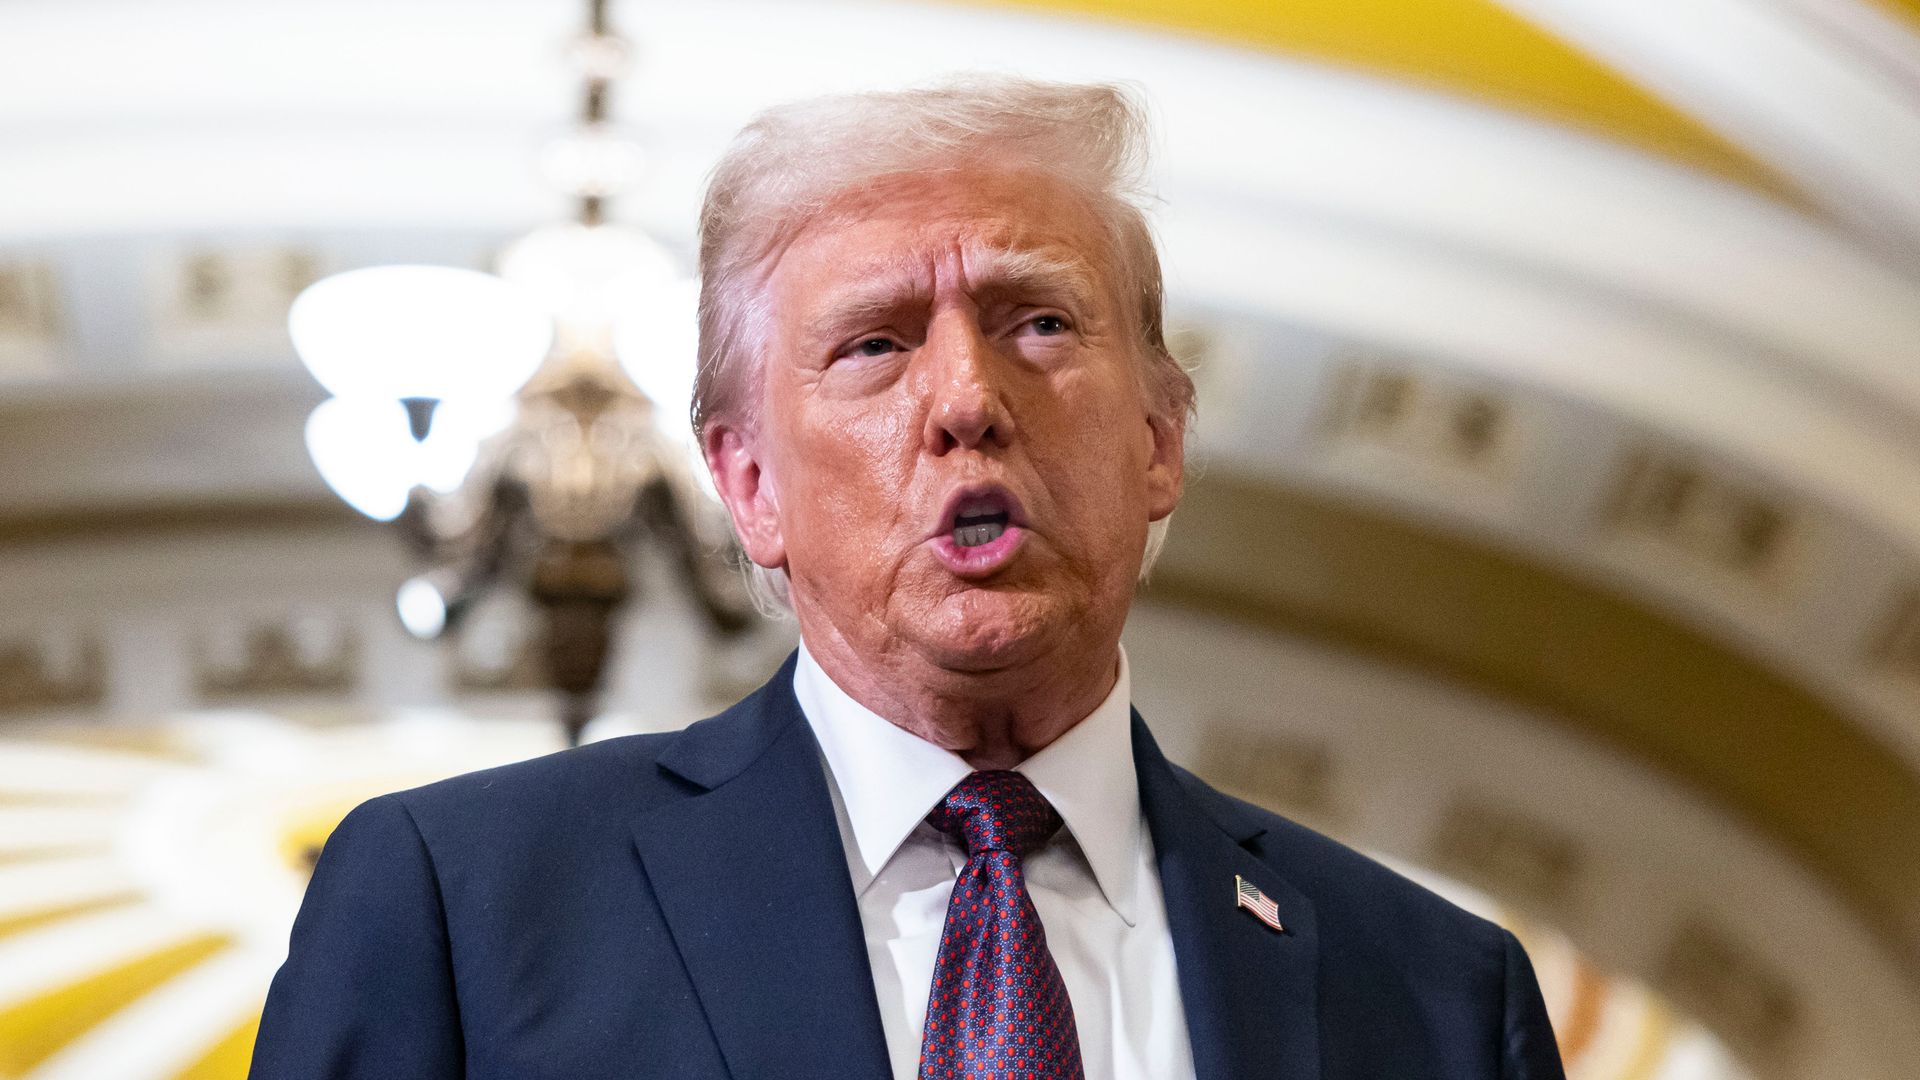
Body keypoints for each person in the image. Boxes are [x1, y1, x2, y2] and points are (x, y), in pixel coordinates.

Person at [251, 76, 1564, 1080]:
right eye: (875, 343)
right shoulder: (459, 904)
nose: (967, 400)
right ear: (749, 484)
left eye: (1037, 322)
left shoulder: (1440, 996)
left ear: (1160, 443)